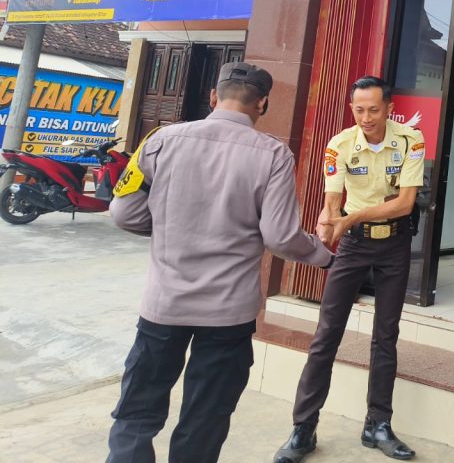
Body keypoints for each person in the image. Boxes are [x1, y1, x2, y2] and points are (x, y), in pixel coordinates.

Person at [106, 62, 334, 463]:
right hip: (227, 315)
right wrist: (323, 256)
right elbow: (280, 237)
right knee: (205, 417)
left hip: (164, 306)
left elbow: (124, 214)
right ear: (262, 104)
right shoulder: (274, 155)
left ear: (213, 96)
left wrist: (169, 228)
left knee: (137, 410)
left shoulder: (160, 140)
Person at [274, 76, 424, 463]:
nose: (366, 117)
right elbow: (332, 199)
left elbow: (405, 204)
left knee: (386, 336)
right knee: (326, 334)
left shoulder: (411, 141)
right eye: (359, 110)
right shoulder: (339, 145)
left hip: (394, 244)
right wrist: (328, 219)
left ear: (389, 108)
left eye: (374, 109)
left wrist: (350, 217)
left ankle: (378, 425)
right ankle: (303, 427)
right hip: (354, 245)